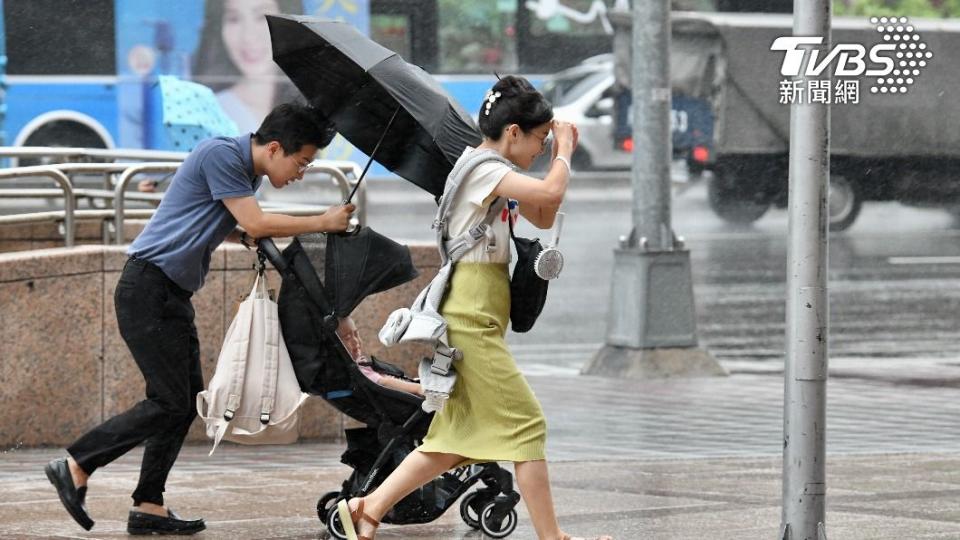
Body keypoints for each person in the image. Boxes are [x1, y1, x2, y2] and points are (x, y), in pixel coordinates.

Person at [43, 102, 356, 535]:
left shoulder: (245, 170)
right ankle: (78, 463)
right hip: (148, 289)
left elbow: (215, 216)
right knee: (169, 401)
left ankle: (148, 505)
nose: (301, 173)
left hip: (170, 294)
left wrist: (239, 233)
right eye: (301, 163)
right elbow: (256, 220)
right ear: (275, 148)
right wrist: (321, 220)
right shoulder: (223, 155)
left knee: (182, 401)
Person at [335, 76, 612, 540]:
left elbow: (544, 212)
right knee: (527, 426)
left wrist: (552, 164)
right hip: (470, 321)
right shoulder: (483, 168)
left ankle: (366, 509)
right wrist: (564, 151)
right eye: (538, 139)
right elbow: (547, 193)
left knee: (454, 440)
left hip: (479, 316)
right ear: (513, 133)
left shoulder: (494, 173)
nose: (542, 149)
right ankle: (554, 538)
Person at [192, 0, 303, 134]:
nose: (248, 36)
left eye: (262, 17)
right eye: (234, 19)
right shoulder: (213, 112)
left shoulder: (313, 105)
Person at [336, 317, 423, 396]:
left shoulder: (359, 365)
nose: (355, 341)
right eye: (347, 338)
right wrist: (418, 389)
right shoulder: (358, 371)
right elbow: (384, 382)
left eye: (356, 334)